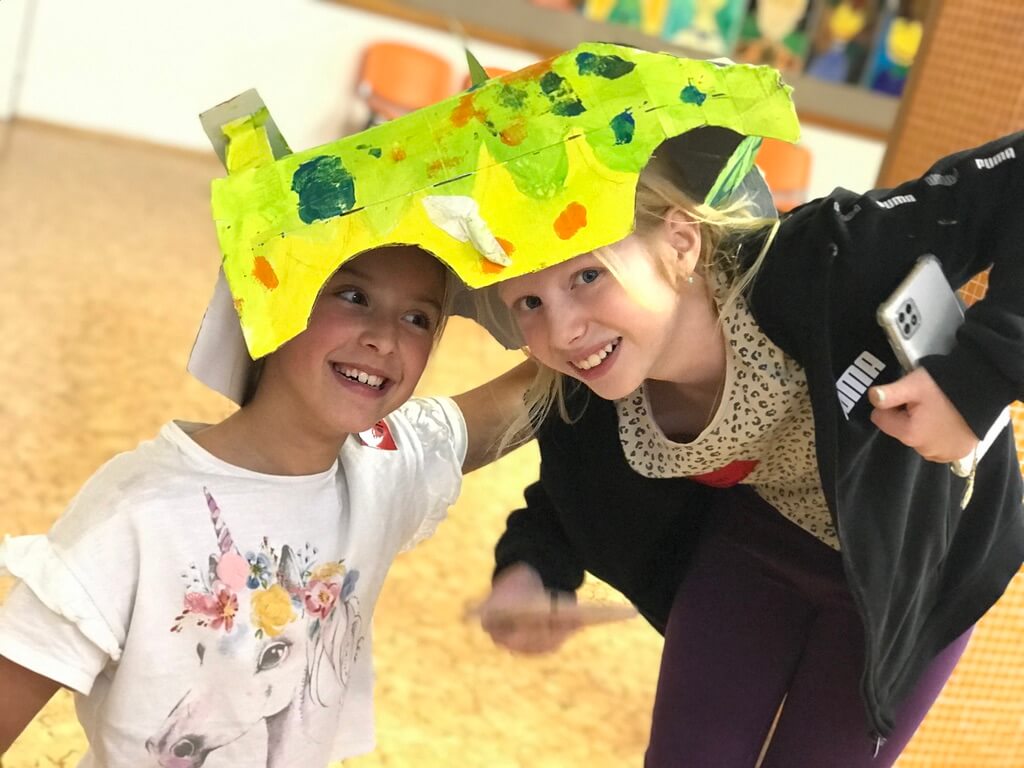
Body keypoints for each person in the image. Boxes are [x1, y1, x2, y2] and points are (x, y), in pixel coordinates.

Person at [458, 44, 1024, 767]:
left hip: (915, 564)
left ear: (680, 242)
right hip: (756, 549)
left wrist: (975, 379)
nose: (562, 331)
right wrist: (529, 571)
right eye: (528, 303)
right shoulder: (593, 392)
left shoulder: (826, 258)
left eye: (588, 276)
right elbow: (573, 495)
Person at [0, 91, 533, 766]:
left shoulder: (382, 465)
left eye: (418, 318)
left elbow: (541, 387)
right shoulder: (138, 511)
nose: (384, 339)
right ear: (272, 300)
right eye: (352, 296)